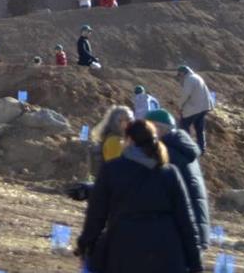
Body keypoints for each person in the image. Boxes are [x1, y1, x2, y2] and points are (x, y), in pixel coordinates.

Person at [77, 120, 203, 273]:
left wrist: (85, 245)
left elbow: (96, 215)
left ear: (129, 140)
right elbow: (186, 221)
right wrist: (195, 263)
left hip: (124, 251)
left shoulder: (112, 169)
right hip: (167, 254)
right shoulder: (170, 173)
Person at [146, 110, 211, 250]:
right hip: (193, 229)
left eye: (147, 128)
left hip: (181, 233)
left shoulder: (167, 152)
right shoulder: (182, 147)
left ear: (158, 129)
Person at [176, 66, 213, 154]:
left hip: (194, 108)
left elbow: (185, 95)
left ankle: (187, 149)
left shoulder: (189, 79)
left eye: (179, 74)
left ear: (184, 72)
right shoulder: (197, 77)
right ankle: (201, 148)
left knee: (184, 127)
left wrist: (179, 106)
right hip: (203, 107)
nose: (179, 76)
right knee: (199, 129)